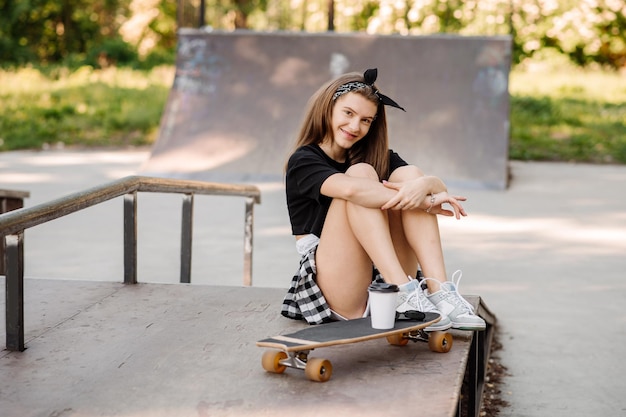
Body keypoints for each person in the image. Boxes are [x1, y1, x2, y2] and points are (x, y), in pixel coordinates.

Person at [281, 68, 485, 332]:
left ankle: (439, 291)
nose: (355, 126)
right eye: (348, 113)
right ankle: (402, 291)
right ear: (327, 108)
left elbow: (434, 186)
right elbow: (353, 191)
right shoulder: (305, 160)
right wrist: (423, 199)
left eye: (366, 120)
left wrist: (425, 185)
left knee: (410, 175)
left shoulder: (377, 155)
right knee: (360, 177)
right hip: (337, 288)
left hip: (382, 273)